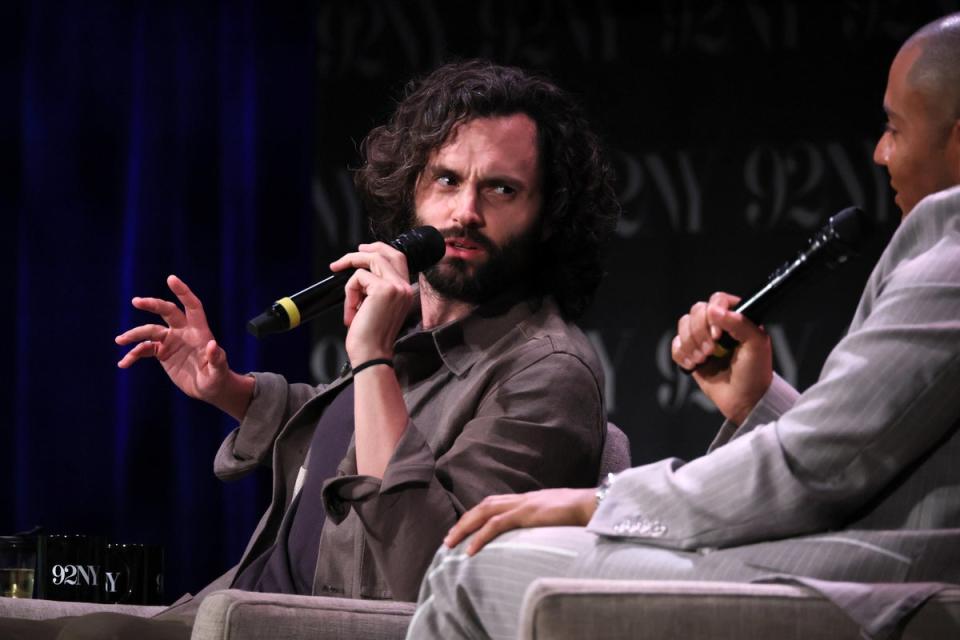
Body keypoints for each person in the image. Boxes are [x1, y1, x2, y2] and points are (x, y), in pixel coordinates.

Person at [0, 60, 618, 638]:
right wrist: (232, 389)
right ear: (411, 191)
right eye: (447, 179)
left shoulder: (545, 371)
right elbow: (346, 438)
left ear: (548, 216)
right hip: (238, 601)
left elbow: (427, 576)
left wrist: (372, 356)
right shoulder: (416, 336)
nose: (464, 212)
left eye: (503, 190)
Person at [406, 13, 960, 640]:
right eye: (447, 180)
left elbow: (821, 468)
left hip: (889, 575)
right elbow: (873, 454)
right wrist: (760, 400)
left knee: (469, 565)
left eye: (893, 127)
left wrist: (600, 504)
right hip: (875, 554)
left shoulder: (955, 253)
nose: (880, 151)